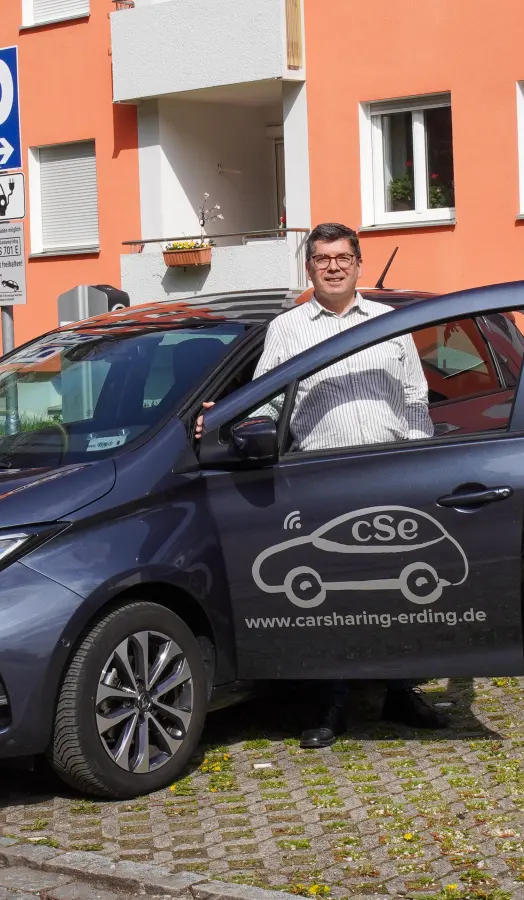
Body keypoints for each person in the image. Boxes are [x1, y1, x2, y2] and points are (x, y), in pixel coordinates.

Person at [197, 222, 442, 749]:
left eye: (342, 257)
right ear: (309, 267)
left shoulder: (389, 323)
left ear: (359, 263)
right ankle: (331, 702)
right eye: (322, 258)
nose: (333, 266)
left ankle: (401, 689)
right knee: (327, 598)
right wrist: (223, 417)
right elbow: (263, 398)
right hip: (320, 480)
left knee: (397, 590)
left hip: (387, 472)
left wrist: (422, 466)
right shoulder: (287, 329)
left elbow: (415, 397)